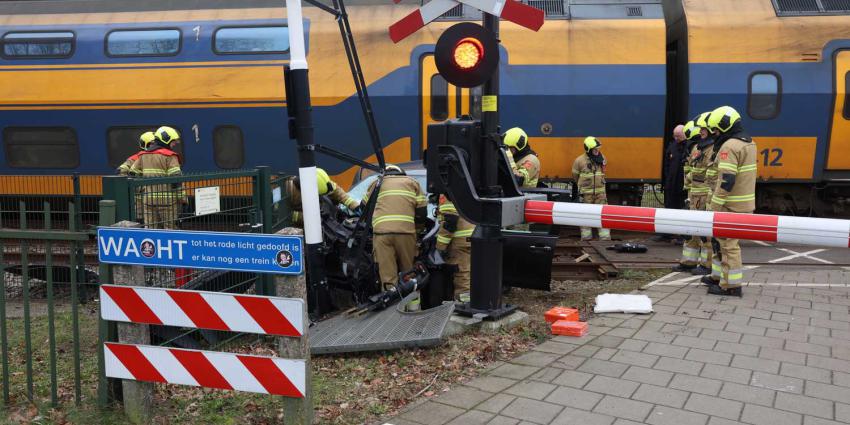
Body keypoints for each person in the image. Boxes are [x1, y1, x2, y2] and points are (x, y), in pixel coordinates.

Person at [703, 106, 757, 297]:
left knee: (728, 246)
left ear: (724, 127)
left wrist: (714, 206)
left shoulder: (729, 146)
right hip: (742, 204)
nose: (714, 134)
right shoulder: (748, 143)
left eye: (716, 130)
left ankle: (731, 286)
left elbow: (726, 180)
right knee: (721, 243)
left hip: (730, 206)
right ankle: (719, 277)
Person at [364, 165, 427, 290]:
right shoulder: (413, 183)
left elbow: (364, 209)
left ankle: (391, 305)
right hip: (406, 234)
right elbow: (421, 213)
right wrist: (418, 232)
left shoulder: (377, 183)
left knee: (387, 277)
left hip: (382, 235)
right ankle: (412, 306)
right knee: (409, 273)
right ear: (401, 174)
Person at [673, 116, 715, 274]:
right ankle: (688, 262)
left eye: (704, 129)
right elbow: (692, 172)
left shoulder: (711, 149)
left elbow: (702, 174)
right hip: (694, 195)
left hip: (704, 195)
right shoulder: (699, 148)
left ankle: (706, 265)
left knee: (705, 234)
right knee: (691, 231)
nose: (702, 131)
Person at [130, 126, 183, 229]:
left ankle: (152, 245)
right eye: (173, 142)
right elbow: (176, 181)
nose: (174, 144)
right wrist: (182, 199)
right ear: (166, 139)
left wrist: (143, 190)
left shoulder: (143, 155)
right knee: (170, 229)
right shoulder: (170, 156)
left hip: (148, 200)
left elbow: (132, 174)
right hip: (167, 202)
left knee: (151, 229)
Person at [284, 168, 361, 226]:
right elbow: (281, 215)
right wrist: (310, 218)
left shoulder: (319, 181)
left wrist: (354, 205)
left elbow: (337, 192)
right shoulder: (288, 191)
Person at [435, 194, 474, 302]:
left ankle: (464, 304)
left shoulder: (447, 191)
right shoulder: (466, 186)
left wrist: (440, 247)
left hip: (459, 240)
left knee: (462, 274)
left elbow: (450, 221)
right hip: (474, 236)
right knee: (473, 272)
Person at [572, 137, 610, 241]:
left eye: (598, 149)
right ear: (588, 149)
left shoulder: (602, 158)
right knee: (585, 216)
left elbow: (602, 174)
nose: (597, 151)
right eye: (595, 149)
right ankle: (586, 238)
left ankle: (605, 238)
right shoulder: (579, 161)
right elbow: (575, 176)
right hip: (586, 194)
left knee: (602, 215)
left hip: (601, 194)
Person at [118, 131, 156, 223]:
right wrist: (136, 187)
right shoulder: (136, 157)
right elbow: (120, 171)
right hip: (141, 199)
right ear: (146, 144)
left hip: (153, 198)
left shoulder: (159, 157)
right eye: (153, 144)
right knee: (141, 221)